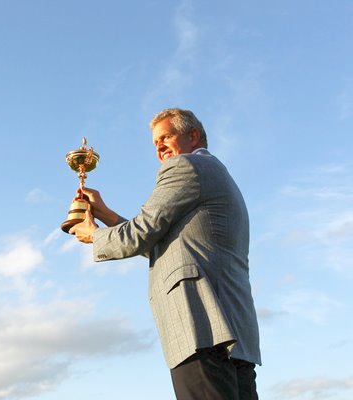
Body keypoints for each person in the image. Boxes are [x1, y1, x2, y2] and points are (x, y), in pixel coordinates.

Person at [69, 108, 261, 399]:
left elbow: (141, 233)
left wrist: (94, 235)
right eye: (155, 142)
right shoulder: (215, 174)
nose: (158, 147)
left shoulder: (185, 166)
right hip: (235, 336)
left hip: (202, 327)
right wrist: (107, 214)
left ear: (193, 135)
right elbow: (167, 245)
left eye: (166, 137)